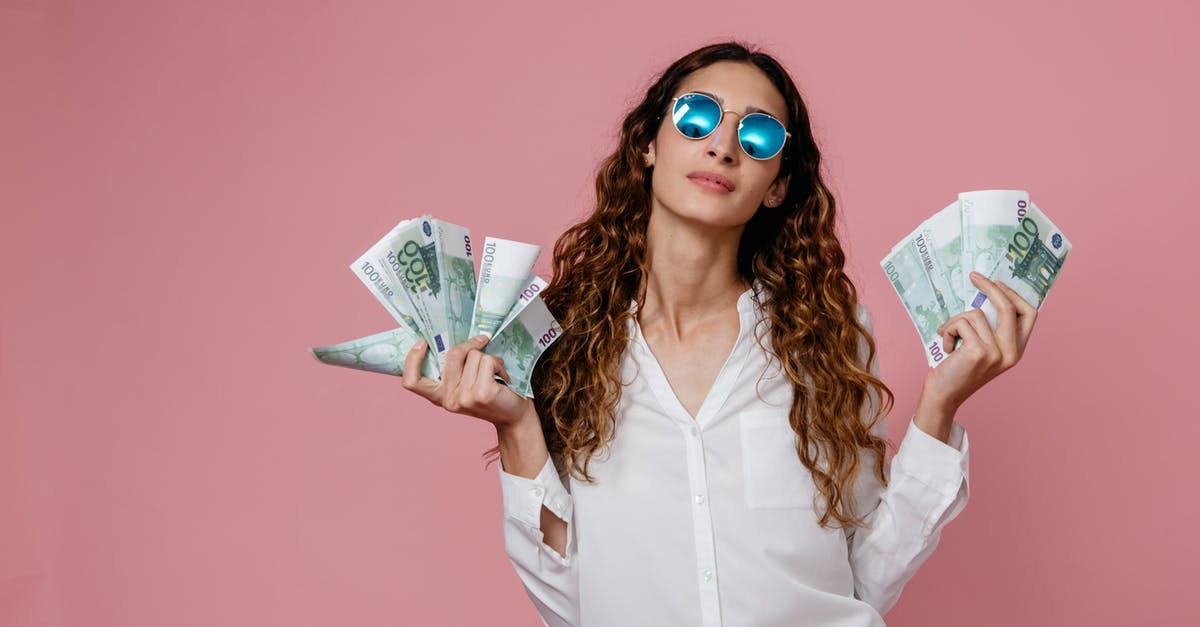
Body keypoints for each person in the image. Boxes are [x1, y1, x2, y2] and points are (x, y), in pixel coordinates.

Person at [399, 40, 1038, 627]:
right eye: (698, 116)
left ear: (777, 186)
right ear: (649, 142)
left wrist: (939, 406)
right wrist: (516, 427)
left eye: (758, 135)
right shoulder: (565, 344)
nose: (723, 146)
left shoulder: (827, 342)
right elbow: (576, 601)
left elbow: (867, 574)